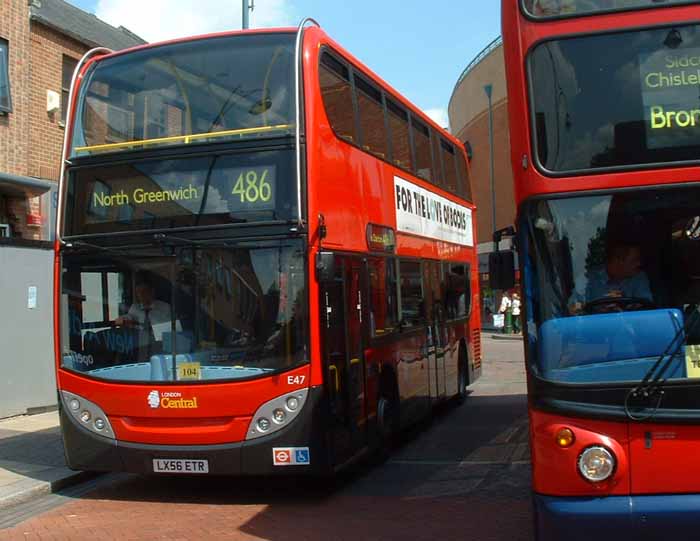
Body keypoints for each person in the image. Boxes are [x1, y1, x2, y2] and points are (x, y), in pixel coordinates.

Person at [569, 242, 652, 314]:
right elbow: (572, 308)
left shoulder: (639, 277)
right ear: (618, 261)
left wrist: (625, 303)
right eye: (634, 260)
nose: (639, 264)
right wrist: (598, 308)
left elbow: (646, 306)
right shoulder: (588, 278)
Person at [115, 278, 172, 352]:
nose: (141, 295)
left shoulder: (165, 307)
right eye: (138, 292)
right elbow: (128, 317)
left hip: (160, 343)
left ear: (152, 292)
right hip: (140, 345)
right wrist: (121, 319)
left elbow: (171, 328)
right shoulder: (135, 307)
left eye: (144, 291)